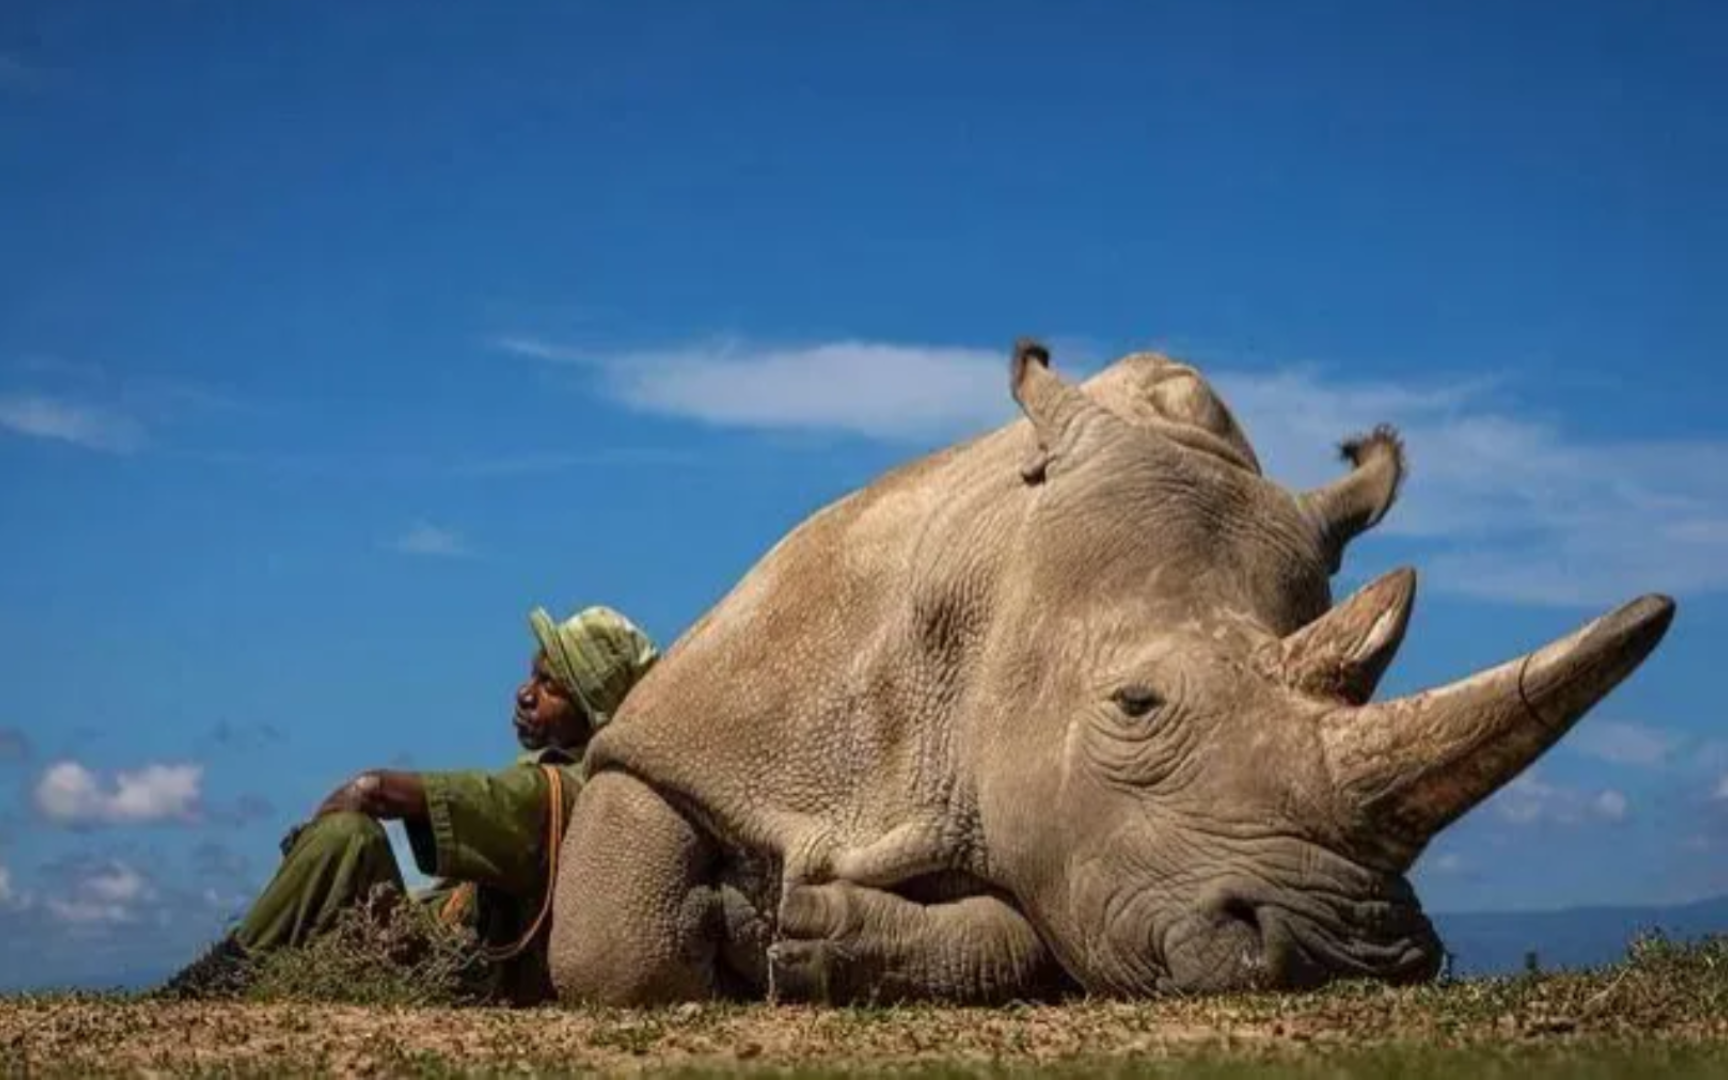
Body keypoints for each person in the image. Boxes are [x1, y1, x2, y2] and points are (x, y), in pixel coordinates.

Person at [159, 604, 659, 1004]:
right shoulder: (570, 779)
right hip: (428, 943)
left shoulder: (561, 792)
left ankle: (212, 986)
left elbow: (477, 799)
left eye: (551, 686)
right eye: (532, 675)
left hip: (450, 971)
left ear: (591, 714)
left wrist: (367, 789)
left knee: (347, 837)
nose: (525, 694)